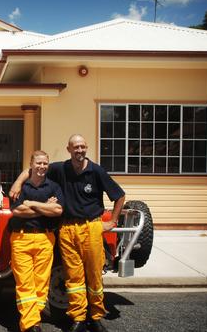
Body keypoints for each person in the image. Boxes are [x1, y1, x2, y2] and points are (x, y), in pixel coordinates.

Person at [10, 135, 125, 332]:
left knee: (95, 276)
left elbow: (119, 195)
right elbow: (36, 167)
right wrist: (18, 182)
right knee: (73, 277)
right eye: (75, 147)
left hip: (91, 227)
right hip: (66, 228)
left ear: (86, 147)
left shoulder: (96, 170)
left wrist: (112, 221)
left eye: (82, 146)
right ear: (69, 149)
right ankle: (78, 317)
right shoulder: (60, 168)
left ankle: (96, 317)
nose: (79, 150)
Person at [9, 150, 63, 332]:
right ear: (30, 165)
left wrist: (32, 204)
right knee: (25, 283)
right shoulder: (20, 187)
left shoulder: (54, 186)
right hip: (21, 238)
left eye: (45, 164)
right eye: (38, 163)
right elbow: (17, 211)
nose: (42, 167)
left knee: (41, 283)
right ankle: (31, 325)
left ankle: (33, 319)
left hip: (46, 238)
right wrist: (46, 206)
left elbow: (57, 211)